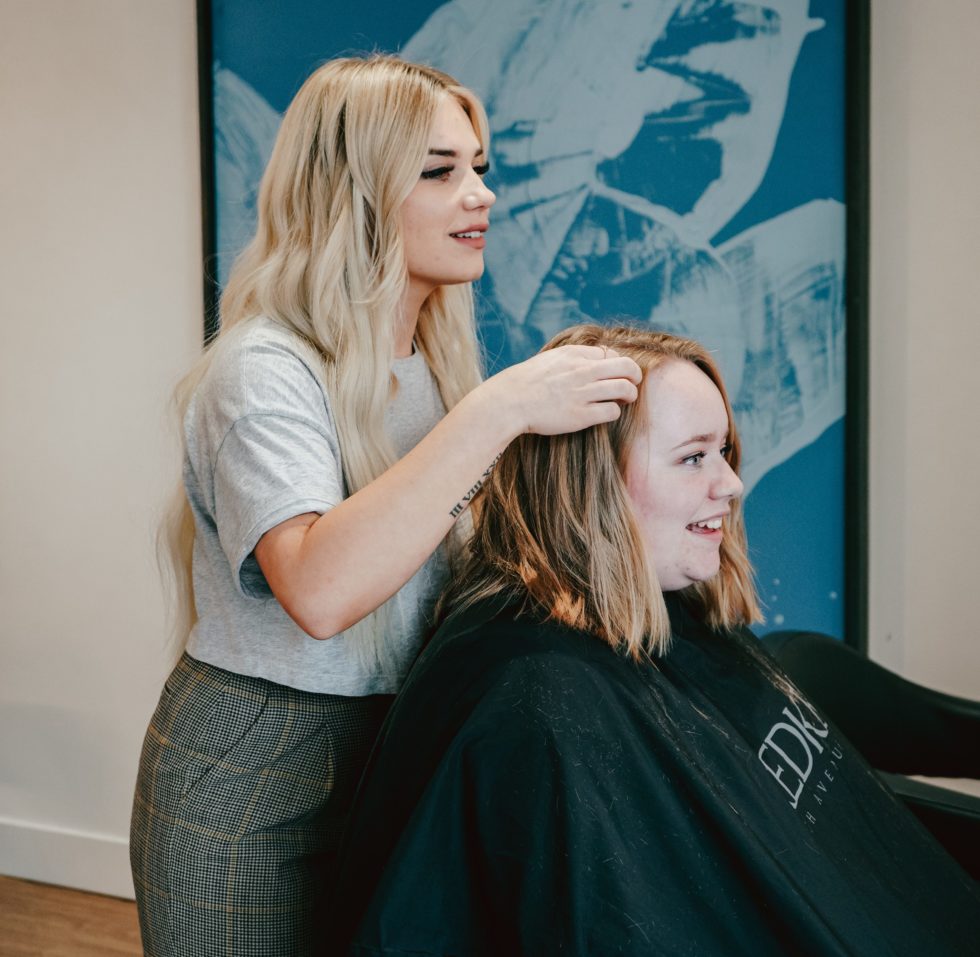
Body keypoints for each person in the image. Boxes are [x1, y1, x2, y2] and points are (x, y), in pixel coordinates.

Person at [128, 57, 641, 957]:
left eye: (480, 167)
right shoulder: (265, 370)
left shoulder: (437, 364)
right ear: (352, 191)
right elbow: (321, 590)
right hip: (254, 779)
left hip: (396, 748)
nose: (479, 195)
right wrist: (500, 410)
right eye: (440, 172)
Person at [328, 324, 980, 956]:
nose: (730, 483)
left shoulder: (670, 628)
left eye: (723, 451)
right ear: (592, 485)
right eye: (693, 457)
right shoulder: (540, 702)